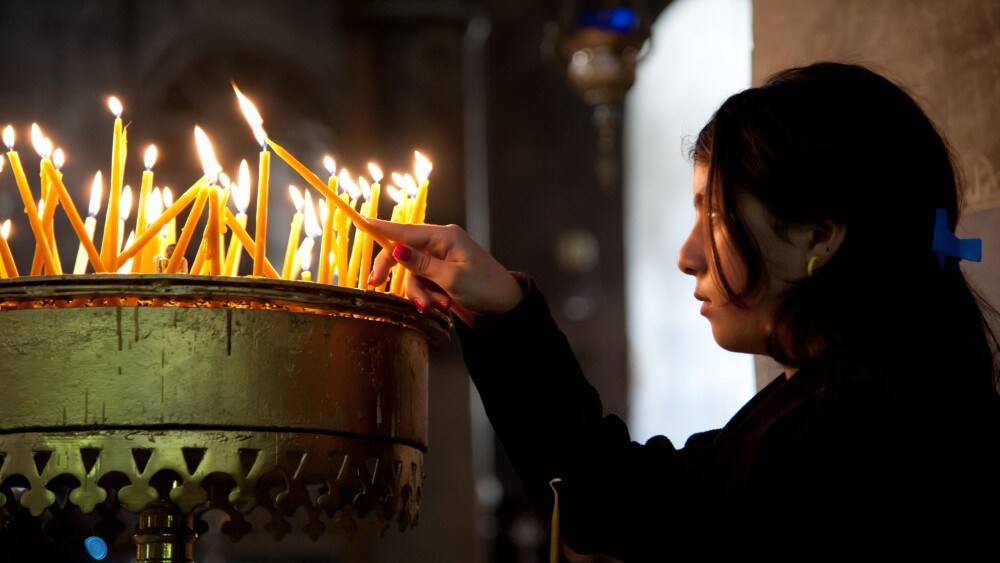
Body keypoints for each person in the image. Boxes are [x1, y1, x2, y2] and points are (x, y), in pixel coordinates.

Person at [367, 61, 1000, 559]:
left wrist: (508, 314)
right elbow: (620, 497)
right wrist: (503, 307)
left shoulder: (852, 448)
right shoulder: (842, 399)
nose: (687, 255)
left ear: (819, 236)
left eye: (717, 213)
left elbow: (628, 506)